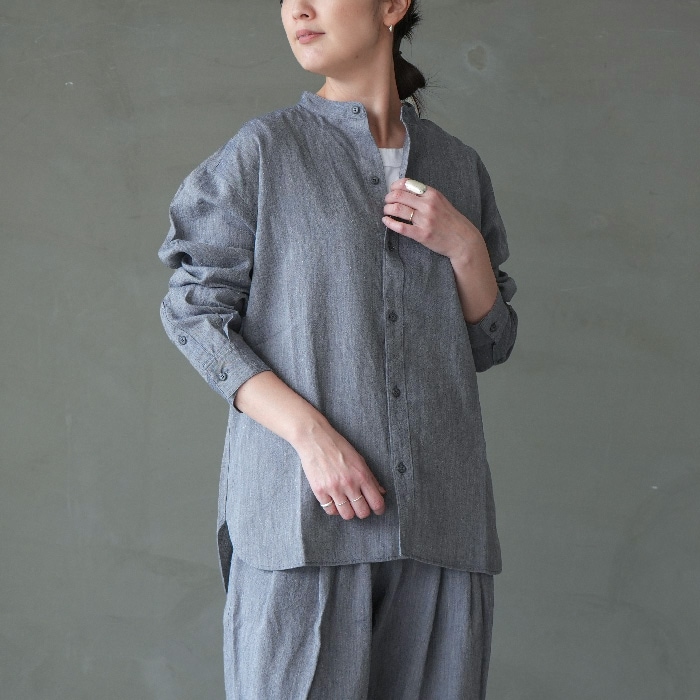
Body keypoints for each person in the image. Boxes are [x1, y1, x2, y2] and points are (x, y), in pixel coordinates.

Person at [158, 0, 517, 697]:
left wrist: (465, 248)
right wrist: (311, 436)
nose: (297, 8)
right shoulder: (266, 152)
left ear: (392, 6)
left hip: (441, 527)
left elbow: (489, 342)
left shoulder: (458, 166)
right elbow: (194, 312)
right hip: (302, 526)